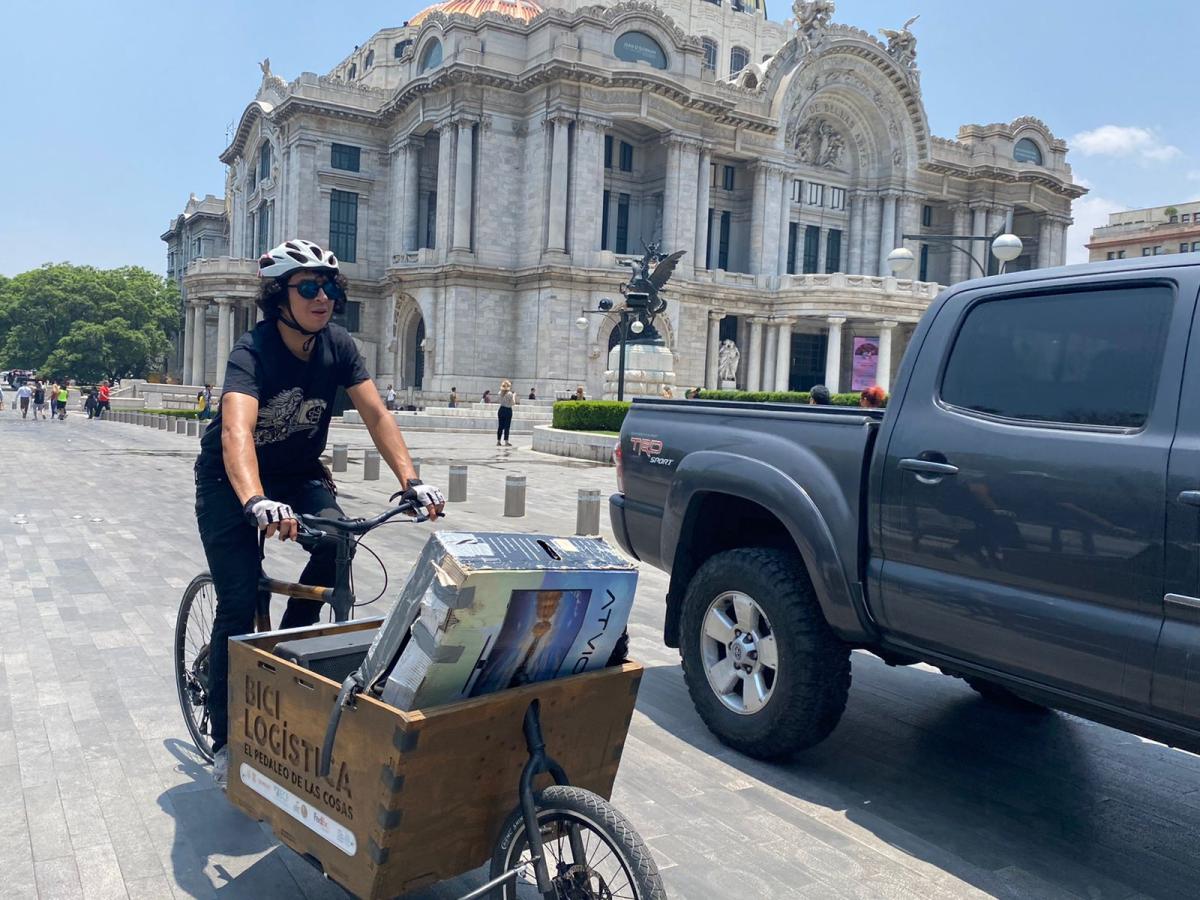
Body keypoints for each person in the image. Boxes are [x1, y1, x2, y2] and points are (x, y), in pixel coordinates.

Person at [194, 238, 445, 788]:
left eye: (330, 287)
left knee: (336, 545)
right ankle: (223, 735)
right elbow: (237, 431)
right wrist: (255, 500)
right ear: (278, 296)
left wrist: (412, 482)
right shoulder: (252, 352)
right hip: (229, 481)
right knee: (236, 604)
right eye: (308, 286)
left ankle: (286, 653)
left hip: (300, 476)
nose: (322, 297)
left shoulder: (339, 345)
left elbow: (377, 414)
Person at [497, 379, 515, 447]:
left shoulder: (499, 393)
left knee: (500, 426)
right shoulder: (510, 394)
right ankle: (506, 441)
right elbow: (513, 403)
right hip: (508, 410)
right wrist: (514, 396)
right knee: (507, 426)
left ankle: (498, 441)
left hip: (501, 409)